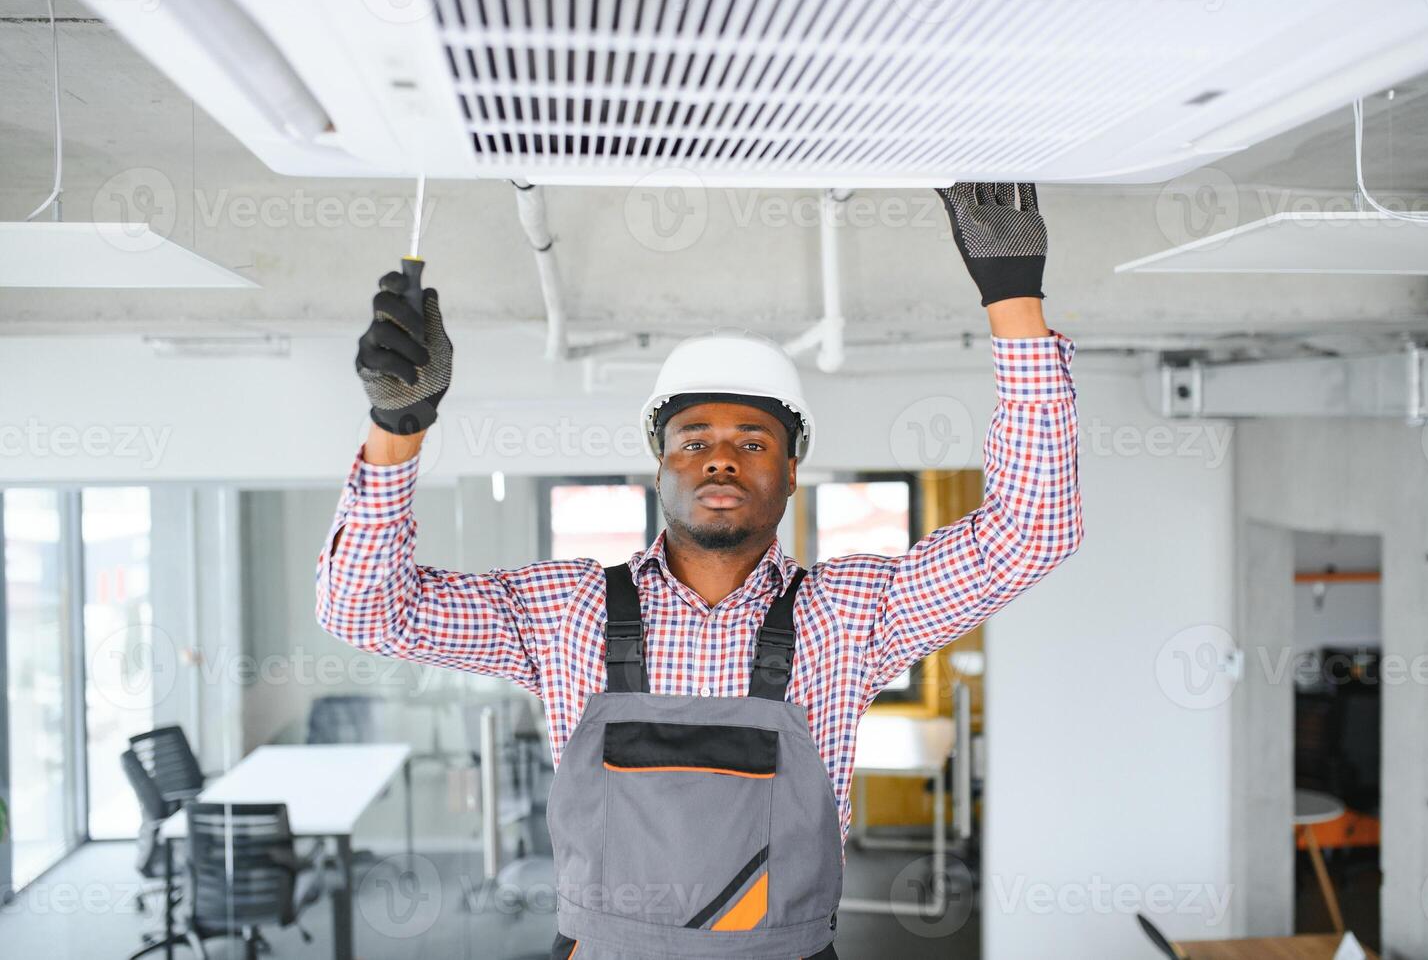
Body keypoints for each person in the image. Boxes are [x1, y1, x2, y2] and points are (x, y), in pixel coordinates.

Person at [316, 182, 1082, 959]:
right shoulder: (562, 609)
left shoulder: (853, 613)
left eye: (753, 441)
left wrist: (1013, 301)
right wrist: (395, 431)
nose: (720, 456)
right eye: (693, 439)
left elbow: (1032, 531)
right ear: (659, 468)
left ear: (790, 473)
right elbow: (366, 612)